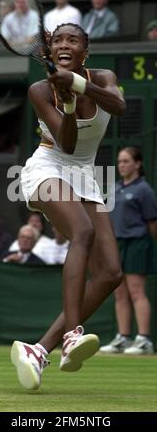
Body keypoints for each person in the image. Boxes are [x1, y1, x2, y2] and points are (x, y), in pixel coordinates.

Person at [11, 22, 125, 390]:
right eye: (58, 39)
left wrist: (76, 85)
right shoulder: (39, 89)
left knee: (110, 274)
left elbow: (118, 105)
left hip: (87, 174)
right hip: (48, 167)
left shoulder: (104, 77)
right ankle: (72, 336)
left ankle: (39, 350)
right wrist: (71, 103)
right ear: (50, 49)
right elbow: (68, 145)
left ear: (84, 51)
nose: (64, 44)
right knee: (84, 231)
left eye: (73, 40)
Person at [100, 147, 157, 355]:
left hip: (137, 242)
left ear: (137, 164)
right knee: (119, 292)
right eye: (119, 161)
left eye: (126, 161)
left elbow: (153, 223)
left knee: (136, 291)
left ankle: (143, 339)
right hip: (117, 244)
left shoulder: (144, 190)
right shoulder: (114, 188)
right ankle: (123, 338)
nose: (121, 165)